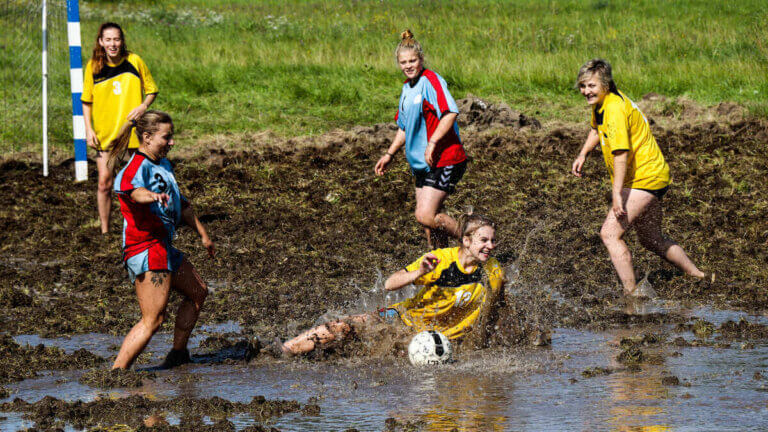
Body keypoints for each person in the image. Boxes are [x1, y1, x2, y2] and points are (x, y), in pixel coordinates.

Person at [571, 59, 712, 297]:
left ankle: (633, 294)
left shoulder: (615, 108)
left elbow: (621, 153)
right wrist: (583, 153)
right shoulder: (603, 102)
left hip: (644, 178)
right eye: (583, 86)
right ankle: (700, 276)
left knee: (609, 234)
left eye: (591, 85)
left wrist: (616, 194)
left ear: (605, 83)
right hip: (654, 175)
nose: (586, 91)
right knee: (650, 238)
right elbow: (596, 128)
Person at [281, 214, 504, 356]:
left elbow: (495, 308)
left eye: (493, 241)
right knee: (347, 326)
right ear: (466, 241)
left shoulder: (493, 271)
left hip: (442, 340)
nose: (490, 246)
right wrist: (420, 272)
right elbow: (389, 283)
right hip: (403, 320)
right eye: (484, 240)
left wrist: (482, 341)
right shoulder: (440, 260)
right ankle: (286, 350)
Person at [109, 110, 214, 369]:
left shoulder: (164, 165)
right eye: (166, 137)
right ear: (147, 137)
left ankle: (177, 354)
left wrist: (203, 235)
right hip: (145, 248)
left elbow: (183, 205)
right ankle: (116, 373)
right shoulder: (135, 167)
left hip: (164, 246)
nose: (172, 142)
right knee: (153, 319)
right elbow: (136, 193)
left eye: (172, 137)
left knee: (198, 292)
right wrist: (152, 197)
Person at [374, 30, 467, 249]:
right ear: (398, 64)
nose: (408, 66)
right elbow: (404, 127)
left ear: (421, 59)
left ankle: (475, 240)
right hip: (421, 165)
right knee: (430, 226)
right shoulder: (407, 89)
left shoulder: (431, 81)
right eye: (403, 62)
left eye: (412, 60)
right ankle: (443, 271)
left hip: (444, 158)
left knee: (425, 215)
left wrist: (432, 143)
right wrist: (389, 154)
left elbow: (450, 112)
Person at [82, 22, 158, 234]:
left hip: (133, 136)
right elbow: (86, 101)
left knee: (137, 183)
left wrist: (143, 106)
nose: (113, 44)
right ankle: (105, 231)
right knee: (104, 183)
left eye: (116, 39)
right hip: (106, 137)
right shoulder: (93, 66)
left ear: (122, 41)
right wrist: (88, 129)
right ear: (101, 42)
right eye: (108, 40)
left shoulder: (135, 61)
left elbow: (151, 90)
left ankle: (142, 225)